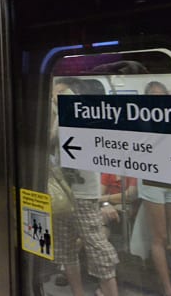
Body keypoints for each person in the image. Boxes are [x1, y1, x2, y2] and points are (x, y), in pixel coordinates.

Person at [50, 78, 120, 296]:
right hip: (62, 192)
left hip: (83, 194)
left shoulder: (85, 116)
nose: (59, 97)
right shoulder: (57, 115)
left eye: (64, 93)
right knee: (66, 248)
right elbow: (50, 142)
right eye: (56, 94)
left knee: (97, 247)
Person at [139, 80, 171, 296]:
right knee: (159, 237)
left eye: (161, 95)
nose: (158, 100)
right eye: (153, 96)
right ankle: (168, 287)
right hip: (151, 178)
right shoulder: (141, 119)